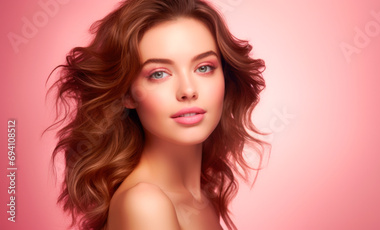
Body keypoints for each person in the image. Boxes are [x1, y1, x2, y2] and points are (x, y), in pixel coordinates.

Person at [47, 0, 267, 229]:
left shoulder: (200, 196)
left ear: (225, 76)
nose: (188, 90)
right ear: (127, 93)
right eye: (159, 73)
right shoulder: (145, 204)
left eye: (203, 67)